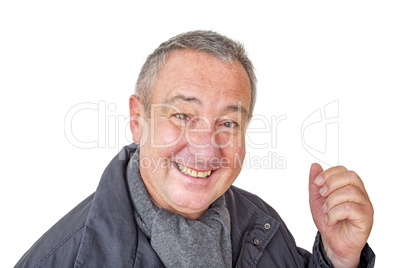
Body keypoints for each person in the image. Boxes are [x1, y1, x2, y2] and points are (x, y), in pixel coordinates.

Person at [15, 30, 375, 268]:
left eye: (228, 123)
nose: (206, 147)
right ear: (138, 120)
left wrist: (339, 258)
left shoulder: (260, 226)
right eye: (183, 115)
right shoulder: (63, 257)